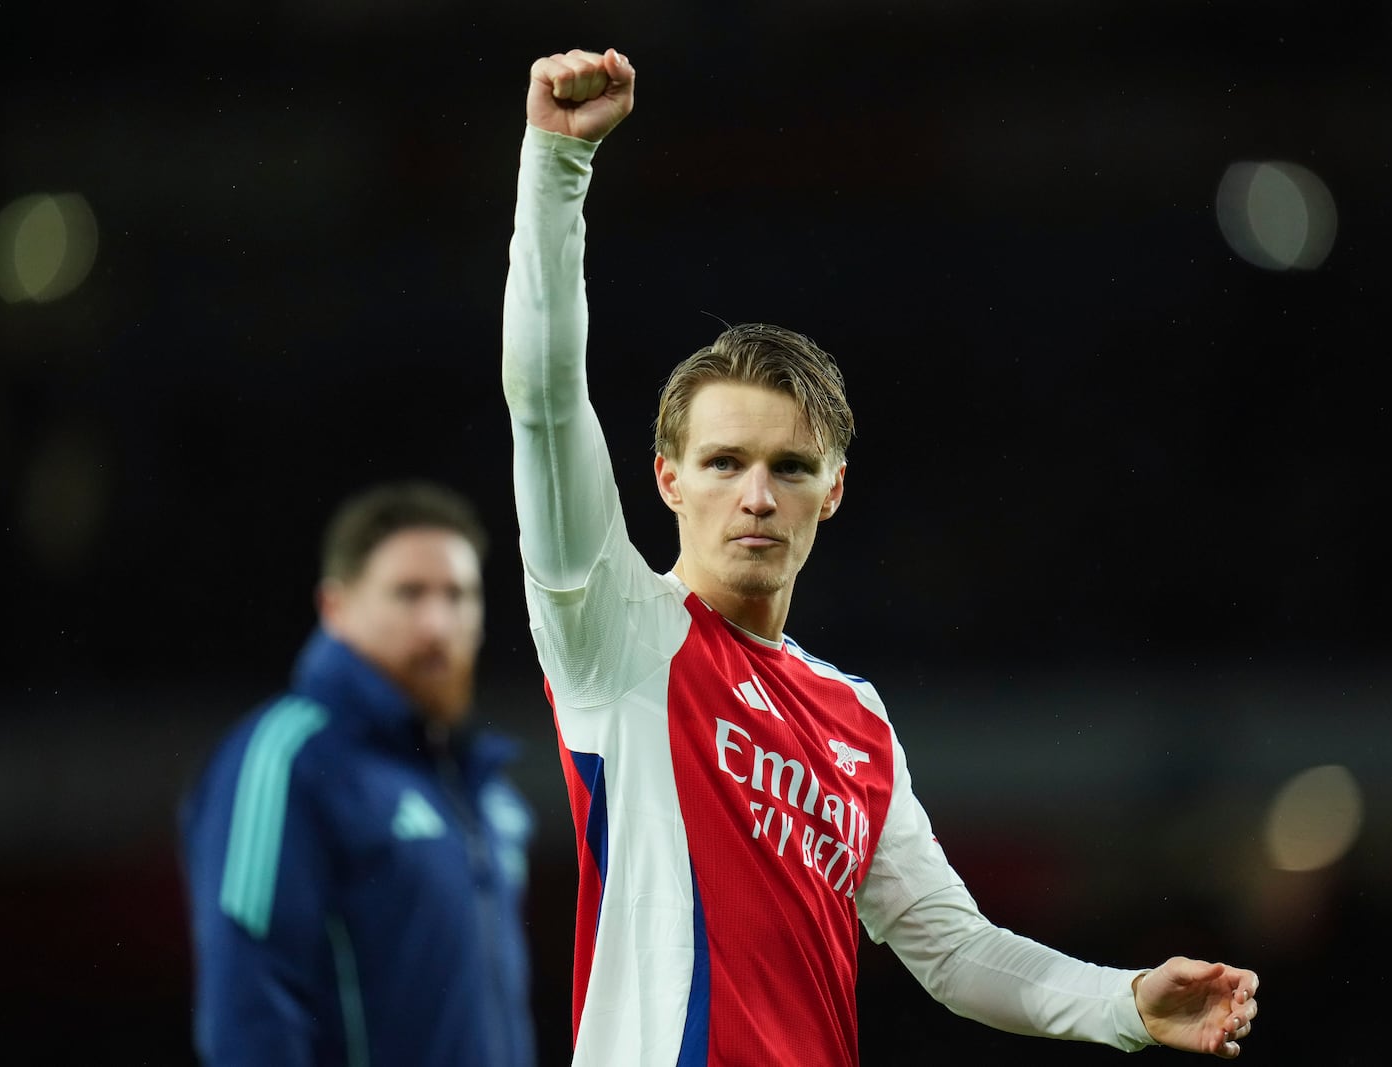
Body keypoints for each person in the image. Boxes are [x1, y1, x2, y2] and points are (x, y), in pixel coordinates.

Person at [501, 47, 1260, 1065]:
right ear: (667, 479)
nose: (758, 493)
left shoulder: (854, 720)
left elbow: (952, 948)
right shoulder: (615, 631)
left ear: (835, 488)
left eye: (789, 465)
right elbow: (545, 398)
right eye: (724, 460)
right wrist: (557, 169)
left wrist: (1121, 1000)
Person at [178, 480, 536, 1067]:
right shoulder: (288, 757)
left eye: (459, 595)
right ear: (335, 608)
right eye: (409, 594)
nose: (437, 624)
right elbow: (249, 994)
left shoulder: (478, 785)